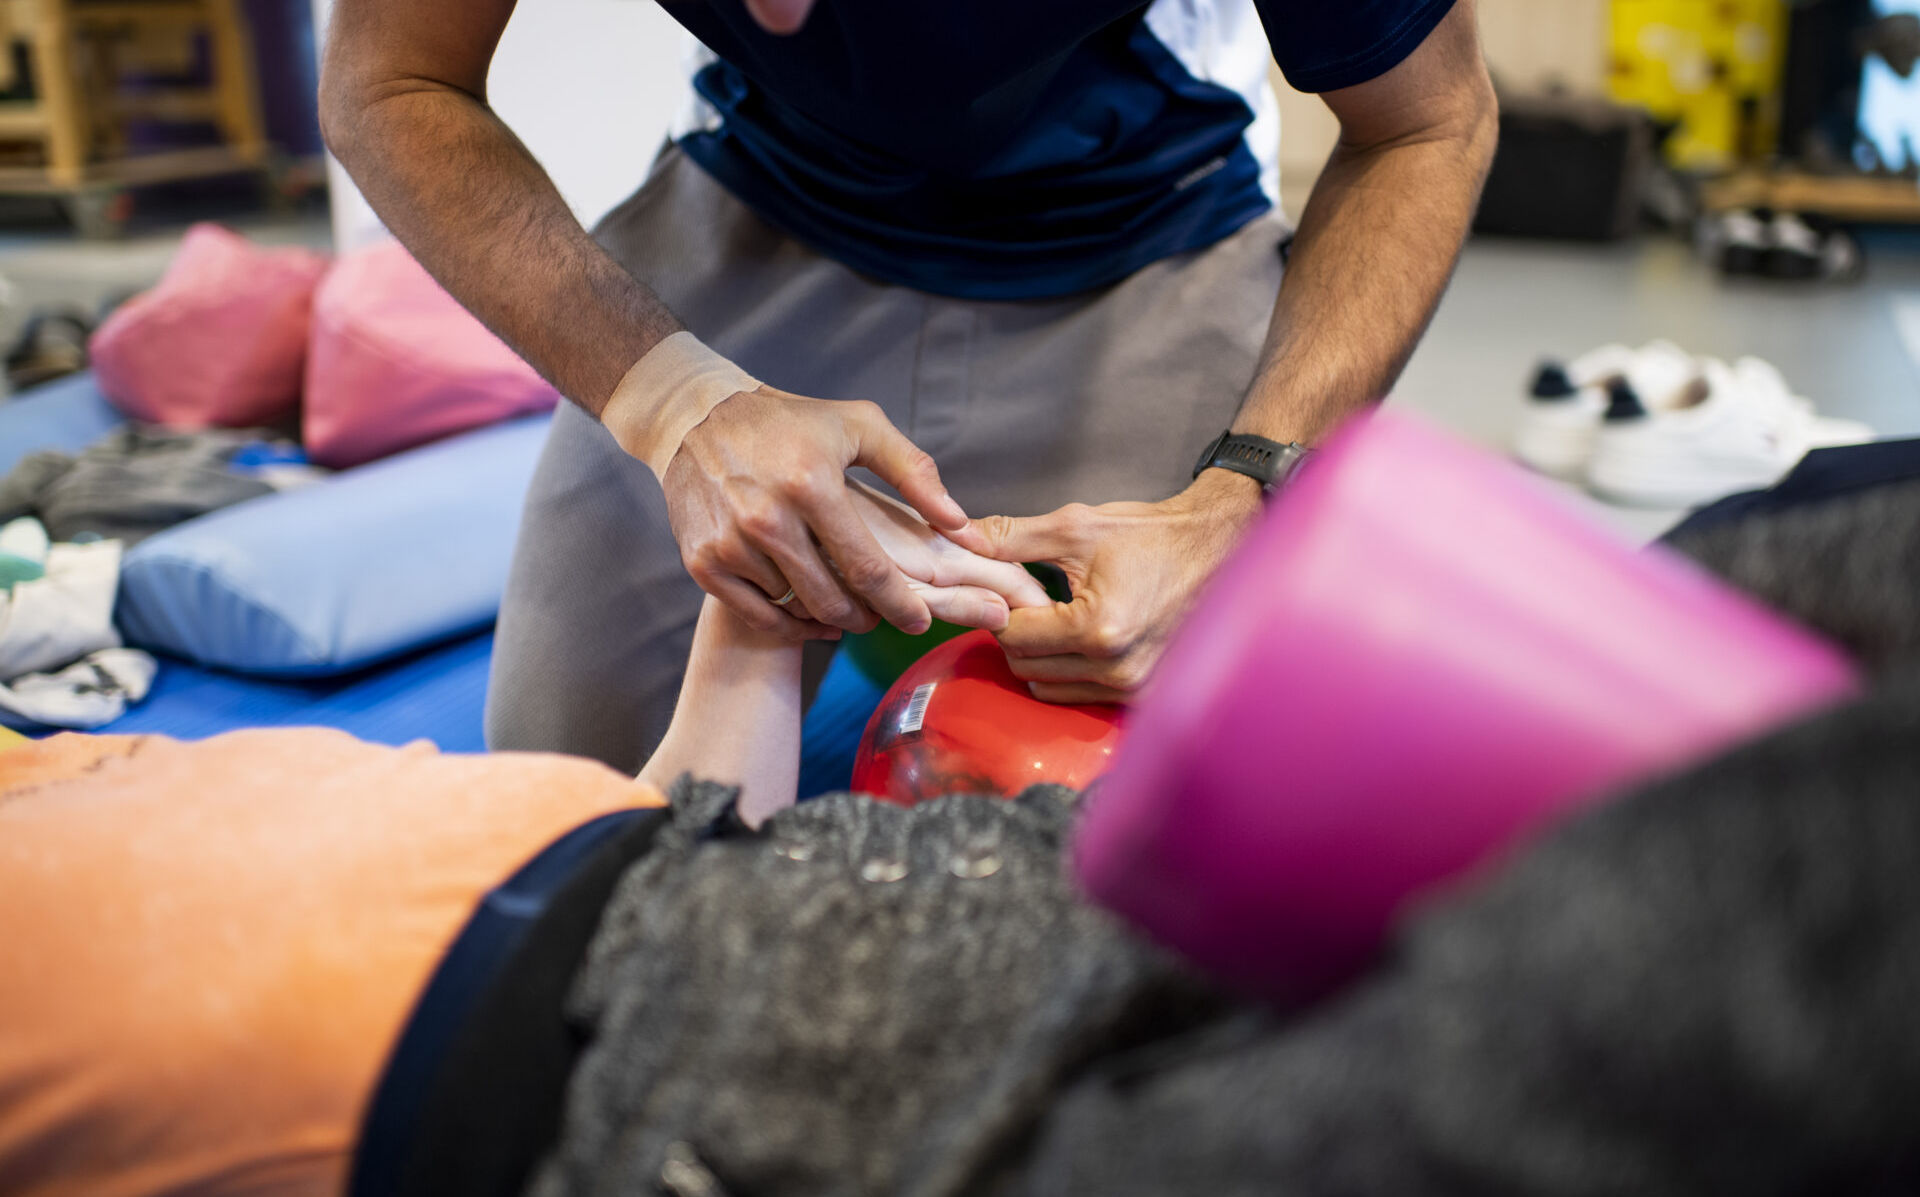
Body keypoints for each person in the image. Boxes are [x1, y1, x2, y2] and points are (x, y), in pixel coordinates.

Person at [9, 453, 1920, 1195]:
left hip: (808, 893)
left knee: (1789, 561)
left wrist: (757, 635)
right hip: (691, 1093)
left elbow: (676, 835)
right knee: (1728, 976)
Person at [318, 0, 1499, 769]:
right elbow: (389, 79)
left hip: (1149, 227)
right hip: (760, 197)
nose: (780, 18)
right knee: (560, 800)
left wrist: (1243, 494)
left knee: (1183, 846)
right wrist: (678, 406)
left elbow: (1427, 126)